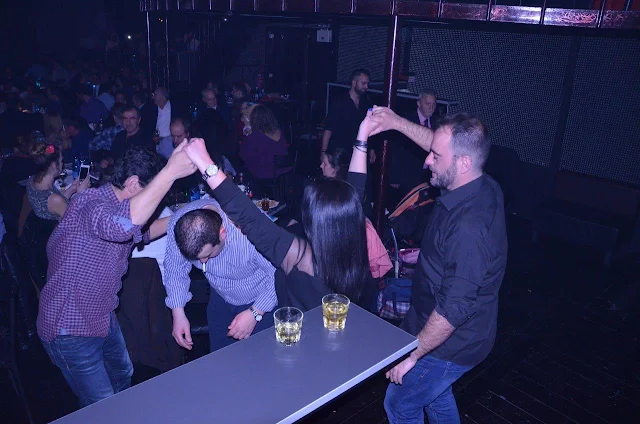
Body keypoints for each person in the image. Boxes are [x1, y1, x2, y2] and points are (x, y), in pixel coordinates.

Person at [366, 107, 507, 424]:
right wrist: (396, 123)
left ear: (463, 163)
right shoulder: (480, 182)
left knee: (400, 404)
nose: (427, 160)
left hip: (451, 343)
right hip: (441, 324)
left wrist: (413, 355)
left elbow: (453, 310)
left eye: (435, 156)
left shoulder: (470, 229)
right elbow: (440, 143)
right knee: (436, 396)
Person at [37, 144, 197, 407]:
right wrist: (169, 173)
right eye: (153, 191)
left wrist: (182, 215)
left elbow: (141, 232)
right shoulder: (89, 203)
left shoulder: (116, 207)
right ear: (133, 184)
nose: (157, 202)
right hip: (69, 326)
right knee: (101, 403)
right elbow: (121, 228)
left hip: (101, 315)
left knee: (123, 375)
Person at [182, 111, 379, 312]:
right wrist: (363, 135)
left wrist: (205, 164)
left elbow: (247, 215)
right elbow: (356, 185)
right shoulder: (354, 241)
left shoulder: (300, 259)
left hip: (300, 331)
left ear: (312, 220)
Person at [165, 200, 277, 352]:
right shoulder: (179, 225)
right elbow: (175, 269)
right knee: (220, 358)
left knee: (261, 358)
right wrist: (178, 313)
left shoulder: (252, 230)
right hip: (220, 297)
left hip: (262, 297)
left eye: (208, 255)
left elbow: (280, 275)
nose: (203, 263)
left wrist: (255, 312)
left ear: (222, 234)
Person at [26, 142, 89, 221]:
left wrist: (71, 189)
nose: (62, 164)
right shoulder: (54, 199)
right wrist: (82, 194)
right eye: (61, 161)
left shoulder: (32, 180)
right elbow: (77, 221)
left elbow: (55, 205)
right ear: (53, 165)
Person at [321, 69, 372, 159]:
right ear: (354, 83)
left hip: (358, 150)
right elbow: (328, 128)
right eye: (363, 83)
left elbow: (368, 128)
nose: (366, 87)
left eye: (367, 84)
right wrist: (323, 152)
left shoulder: (366, 102)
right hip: (340, 151)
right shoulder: (339, 102)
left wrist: (371, 149)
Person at [239, 105, 291, 180]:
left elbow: (243, 155)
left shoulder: (255, 136)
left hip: (265, 175)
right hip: (284, 173)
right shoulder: (280, 131)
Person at [153, 87, 174, 159]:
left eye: (155, 94)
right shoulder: (152, 109)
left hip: (170, 141)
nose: (153, 97)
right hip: (156, 142)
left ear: (162, 96)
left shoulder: (174, 106)